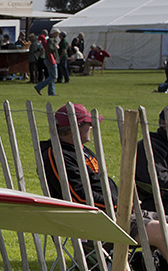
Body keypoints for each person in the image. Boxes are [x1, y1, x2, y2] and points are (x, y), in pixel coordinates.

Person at [42, 103, 167, 256]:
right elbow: (78, 197)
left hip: (115, 213)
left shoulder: (81, 150)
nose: (92, 128)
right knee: (160, 231)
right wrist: (118, 206)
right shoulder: (56, 156)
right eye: (89, 124)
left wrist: (124, 202)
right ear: (76, 126)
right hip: (94, 221)